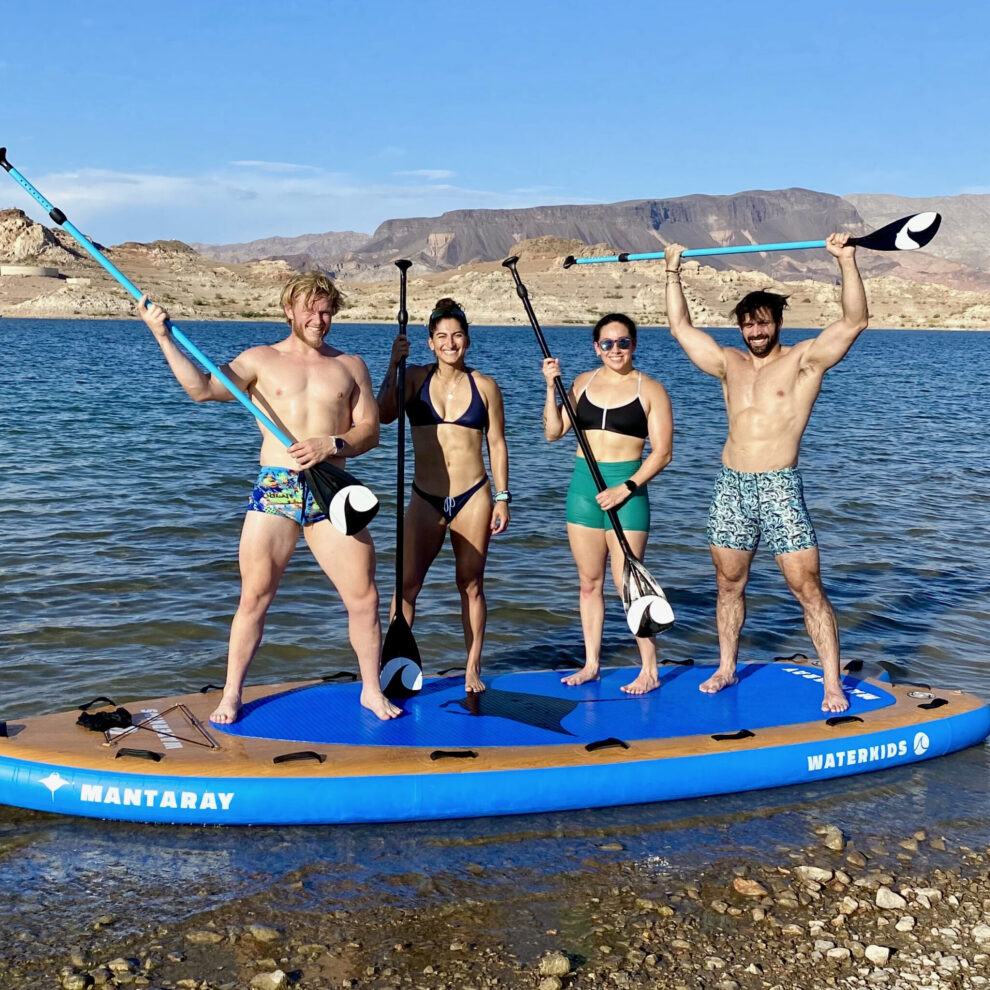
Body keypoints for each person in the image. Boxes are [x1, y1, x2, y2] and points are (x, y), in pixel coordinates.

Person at [136, 272, 400, 723]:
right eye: (310, 310)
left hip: (330, 488)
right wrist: (162, 335)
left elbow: (370, 431)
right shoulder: (260, 359)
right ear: (289, 311)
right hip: (277, 487)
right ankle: (232, 694)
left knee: (365, 598)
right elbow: (201, 389)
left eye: (326, 310)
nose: (320, 319)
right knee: (255, 596)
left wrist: (330, 444)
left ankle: (371, 691)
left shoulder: (351, 364)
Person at [664, 234, 869, 713]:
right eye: (748, 326)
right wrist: (672, 270)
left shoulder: (804, 362)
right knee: (728, 584)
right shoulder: (728, 364)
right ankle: (726, 665)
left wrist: (846, 259)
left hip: (779, 486)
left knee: (807, 587)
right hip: (731, 485)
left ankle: (832, 683)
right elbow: (679, 327)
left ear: (777, 323)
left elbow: (855, 320)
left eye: (763, 323)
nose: (756, 333)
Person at [377, 298, 510, 693]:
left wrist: (502, 496)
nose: (450, 343)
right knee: (406, 586)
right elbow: (384, 414)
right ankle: (395, 665)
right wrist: (392, 364)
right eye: (441, 337)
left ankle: (472, 669)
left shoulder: (484, 386)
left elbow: (498, 444)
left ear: (466, 340)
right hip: (425, 496)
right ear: (430, 343)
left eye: (456, 335)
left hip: (474, 495)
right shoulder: (414, 378)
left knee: (470, 583)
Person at [541, 314, 673, 695]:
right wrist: (551, 387)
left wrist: (626, 488)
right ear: (596, 347)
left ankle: (650, 669)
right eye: (607, 343)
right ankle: (591, 664)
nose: (615, 350)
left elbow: (663, 453)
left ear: (634, 344)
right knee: (589, 583)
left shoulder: (651, 390)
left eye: (623, 342)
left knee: (628, 583)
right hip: (582, 488)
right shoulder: (582, 382)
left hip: (627, 493)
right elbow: (553, 432)